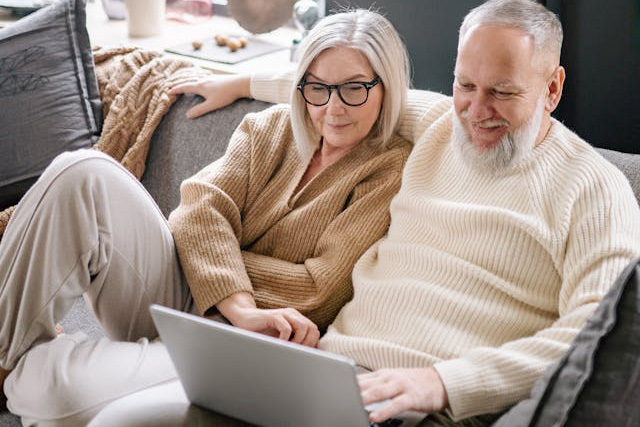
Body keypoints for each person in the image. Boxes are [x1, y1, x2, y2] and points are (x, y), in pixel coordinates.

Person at [136, 0, 640, 425]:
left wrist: (445, 383)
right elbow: (348, 89)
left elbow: (594, 336)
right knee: (131, 418)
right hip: (319, 376)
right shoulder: (443, 123)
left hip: (426, 410)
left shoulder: (596, 189)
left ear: (552, 88)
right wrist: (241, 79)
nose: (477, 110)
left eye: (503, 92)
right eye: (466, 85)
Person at [0, 9, 412, 425]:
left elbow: (317, 288)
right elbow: (197, 206)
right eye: (318, 88)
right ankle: (5, 353)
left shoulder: (388, 170)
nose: (333, 107)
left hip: (240, 344)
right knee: (82, 170)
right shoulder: (270, 127)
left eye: (355, 89)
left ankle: (22, 363)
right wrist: (241, 303)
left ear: (387, 87)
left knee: (44, 387)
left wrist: (217, 262)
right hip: (180, 295)